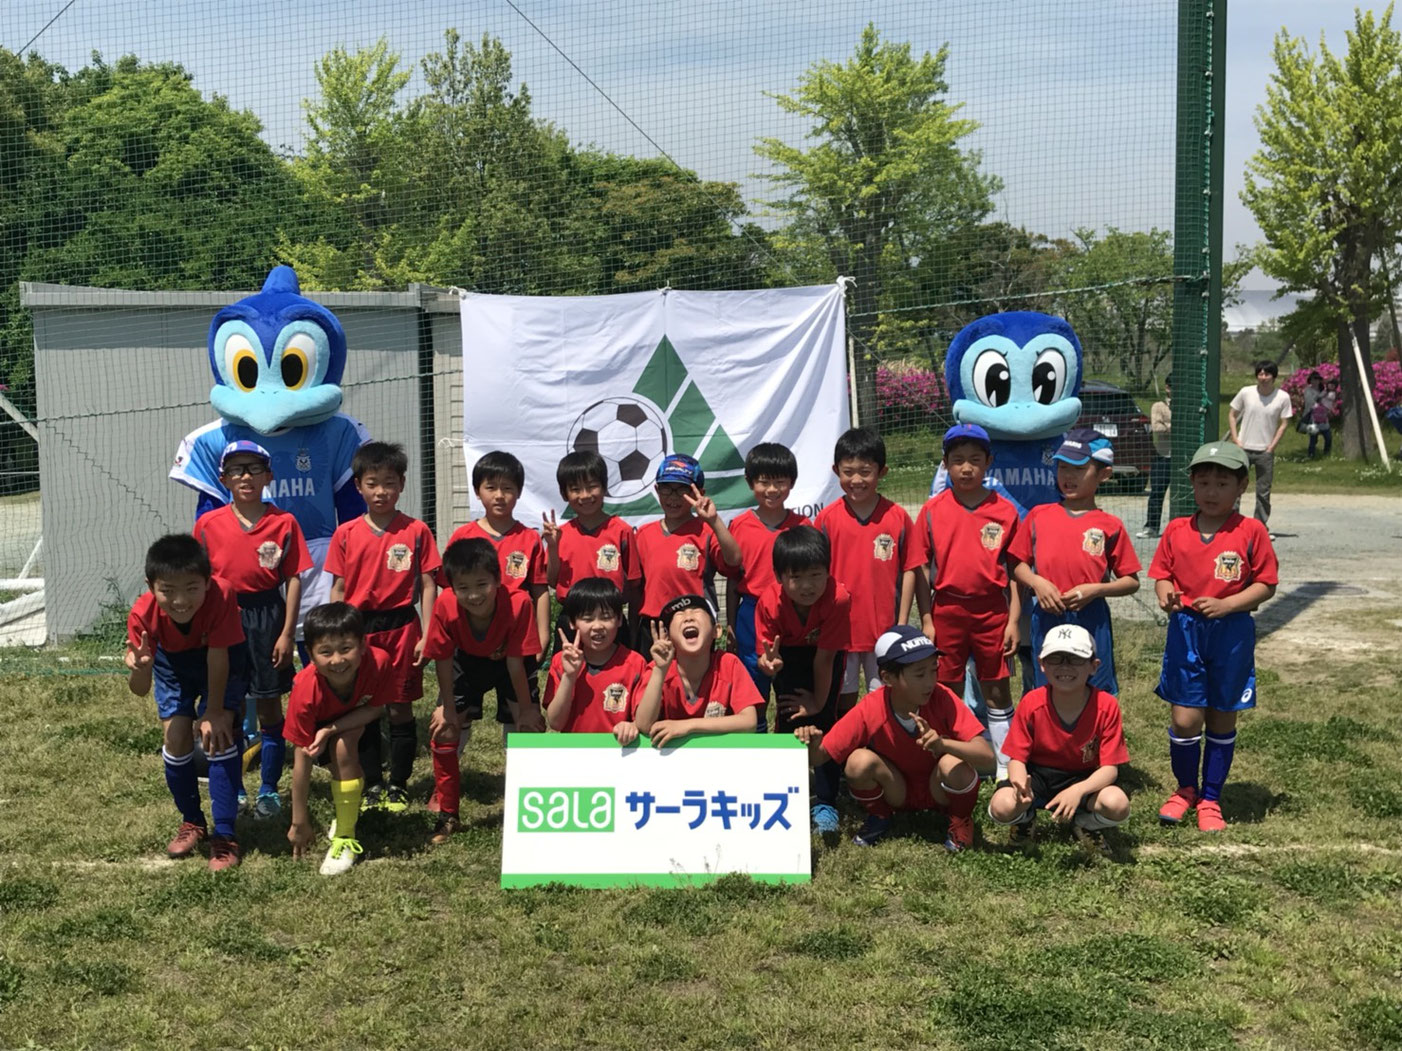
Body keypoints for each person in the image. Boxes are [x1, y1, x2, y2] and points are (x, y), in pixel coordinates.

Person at [1151, 441, 1278, 832]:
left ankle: (1211, 798)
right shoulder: (1176, 530)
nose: (1211, 491)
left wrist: (1230, 604)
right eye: (1203, 481)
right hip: (1186, 632)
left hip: (1231, 633)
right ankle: (1185, 789)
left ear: (1241, 487)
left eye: (1222, 483)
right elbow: (1161, 574)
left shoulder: (1251, 531)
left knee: (1222, 718)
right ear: (1191, 483)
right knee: (1186, 719)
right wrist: (1164, 595)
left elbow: (1267, 585)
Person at [192, 440, 312, 820]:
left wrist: (287, 631)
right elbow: (200, 581)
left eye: (254, 468)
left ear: (268, 476)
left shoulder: (284, 523)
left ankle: (268, 790)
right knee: (226, 705)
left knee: (269, 703)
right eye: (238, 469)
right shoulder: (208, 525)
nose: (246, 476)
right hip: (224, 617)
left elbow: (293, 578)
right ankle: (235, 789)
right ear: (224, 478)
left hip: (267, 618)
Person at [794, 626, 995, 852]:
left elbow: (987, 757)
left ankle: (960, 819)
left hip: (938, 789)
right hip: (896, 791)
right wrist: (811, 745)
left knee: (953, 763)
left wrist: (943, 745)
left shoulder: (943, 697)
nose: (930, 681)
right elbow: (822, 756)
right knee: (858, 762)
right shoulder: (871, 708)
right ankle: (880, 815)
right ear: (887, 678)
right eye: (920, 674)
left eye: (933, 670)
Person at [326, 441, 441, 812]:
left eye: (389, 483)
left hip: (402, 628)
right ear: (358, 486)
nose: (381, 491)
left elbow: (427, 584)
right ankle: (373, 783)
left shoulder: (417, 531)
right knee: (367, 709)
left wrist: (428, 632)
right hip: (360, 632)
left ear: (402, 484)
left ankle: (399, 784)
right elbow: (339, 588)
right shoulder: (345, 533)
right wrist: (335, 636)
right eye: (372, 483)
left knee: (400, 709)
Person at [126, 534, 248, 871]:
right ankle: (192, 821)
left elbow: (219, 655)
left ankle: (225, 835)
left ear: (208, 582)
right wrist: (141, 667)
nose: (180, 600)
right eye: (168, 590)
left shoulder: (223, 595)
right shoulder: (141, 615)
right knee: (176, 738)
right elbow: (138, 689)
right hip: (170, 664)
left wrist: (213, 711)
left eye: (192, 588)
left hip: (220, 658)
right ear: (150, 585)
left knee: (217, 733)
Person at [912, 423, 1021, 777]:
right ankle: (953, 760)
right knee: (946, 689)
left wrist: (1014, 621)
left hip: (992, 611)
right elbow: (920, 571)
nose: (967, 468)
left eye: (975, 459)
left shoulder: (1005, 512)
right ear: (946, 464)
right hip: (947, 611)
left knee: (997, 690)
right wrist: (927, 619)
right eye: (958, 460)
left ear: (989, 462)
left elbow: (1017, 569)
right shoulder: (931, 511)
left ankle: (1005, 766)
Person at [422, 537, 543, 844]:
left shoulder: (519, 603)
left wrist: (527, 708)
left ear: (498, 580)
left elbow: (516, 664)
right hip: (466, 661)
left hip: (509, 664)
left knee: (527, 726)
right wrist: (448, 706)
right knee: (445, 728)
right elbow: (444, 660)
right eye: (463, 588)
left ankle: (531, 806)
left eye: (482, 584)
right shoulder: (445, 605)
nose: (474, 595)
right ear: (451, 587)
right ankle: (448, 813)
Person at [1008, 429, 1141, 696]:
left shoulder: (1110, 525)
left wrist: (1096, 590)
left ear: (1104, 474)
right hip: (1047, 616)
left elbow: (1131, 581)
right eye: (1063, 467)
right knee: (1049, 688)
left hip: (1092, 618)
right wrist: (1037, 582)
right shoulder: (1038, 516)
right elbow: (1017, 565)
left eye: (1078, 469)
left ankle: (1095, 736)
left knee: (1095, 689)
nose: (1068, 476)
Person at [986, 624, 1131, 855]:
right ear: (1042, 664)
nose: (1065, 667)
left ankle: (1085, 823)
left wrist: (1079, 790)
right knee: (1001, 806)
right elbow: (1016, 759)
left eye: (1075, 659)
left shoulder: (1106, 705)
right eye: (1056, 659)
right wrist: (1020, 788)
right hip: (1038, 776)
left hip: (1084, 777)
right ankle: (1025, 820)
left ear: (1094, 667)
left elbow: (1110, 769)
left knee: (1117, 803)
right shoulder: (1032, 702)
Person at [284, 602, 396, 876]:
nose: (337, 660)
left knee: (344, 749)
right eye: (325, 652)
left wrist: (332, 729)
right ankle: (347, 813)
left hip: (360, 719)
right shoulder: (305, 688)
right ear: (310, 654)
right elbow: (302, 757)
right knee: (340, 765)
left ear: (363, 644)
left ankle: (345, 836)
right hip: (320, 727)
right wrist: (299, 821)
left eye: (346, 648)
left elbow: (375, 708)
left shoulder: (379, 661)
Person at [814, 427, 920, 715]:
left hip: (884, 631)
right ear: (836, 471)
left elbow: (912, 569)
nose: (857, 480)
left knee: (885, 700)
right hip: (840, 632)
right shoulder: (826, 520)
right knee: (843, 699)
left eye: (865, 471)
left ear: (882, 472)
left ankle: (881, 754)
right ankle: (845, 755)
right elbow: (815, 573)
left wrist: (901, 622)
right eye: (849, 472)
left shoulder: (896, 517)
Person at [755, 525, 851, 832]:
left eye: (816, 574)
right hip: (789, 659)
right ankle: (788, 794)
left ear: (828, 571)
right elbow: (767, 657)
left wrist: (817, 702)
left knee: (825, 724)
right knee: (788, 719)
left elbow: (825, 659)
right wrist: (769, 665)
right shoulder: (769, 602)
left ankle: (825, 801)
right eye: (796, 577)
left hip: (825, 656)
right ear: (780, 576)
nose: (808, 586)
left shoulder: (838, 597)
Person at [723, 442, 810, 720]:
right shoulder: (740, 525)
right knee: (753, 695)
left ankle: (794, 753)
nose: (772, 490)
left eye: (779, 482)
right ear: (750, 483)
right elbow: (734, 580)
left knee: (790, 695)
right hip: (752, 614)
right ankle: (755, 748)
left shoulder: (803, 527)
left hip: (791, 613)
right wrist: (732, 624)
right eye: (764, 482)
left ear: (791, 483)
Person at [445, 450, 552, 655]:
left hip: (517, 635)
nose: (499, 496)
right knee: (462, 688)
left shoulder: (530, 538)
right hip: (471, 636)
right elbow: (449, 590)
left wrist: (542, 636)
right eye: (491, 488)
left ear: (519, 492)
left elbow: (540, 591)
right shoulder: (463, 536)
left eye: (507, 488)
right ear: (477, 491)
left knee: (519, 686)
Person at [632, 455, 742, 650]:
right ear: (657, 490)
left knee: (695, 680)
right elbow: (636, 589)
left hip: (694, 625)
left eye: (683, 490)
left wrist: (714, 521)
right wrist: (633, 632)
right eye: (666, 488)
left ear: (699, 492)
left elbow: (734, 561)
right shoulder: (643, 534)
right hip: (654, 627)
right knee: (655, 680)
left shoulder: (707, 531)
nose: (673, 497)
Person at [633, 594, 765, 744]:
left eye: (696, 611)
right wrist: (660, 670)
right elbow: (643, 725)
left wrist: (688, 726)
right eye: (680, 614)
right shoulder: (656, 669)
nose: (688, 617)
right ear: (668, 637)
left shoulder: (729, 664)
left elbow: (749, 721)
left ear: (717, 631)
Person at [541, 451, 638, 648]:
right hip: (572, 620)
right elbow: (552, 580)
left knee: (616, 676)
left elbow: (634, 584)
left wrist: (616, 614)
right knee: (569, 674)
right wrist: (552, 547)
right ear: (564, 494)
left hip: (610, 620)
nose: (585, 495)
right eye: (576, 489)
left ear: (604, 487)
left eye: (592, 486)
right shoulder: (561, 535)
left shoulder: (622, 531)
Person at [543, 577, 648, 742]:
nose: (598, 626)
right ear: (572, 622)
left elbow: (643, 721)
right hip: (575, 755)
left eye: (606, 617)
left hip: (620, 756)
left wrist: (632, 726)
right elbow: (556, 722)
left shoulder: (635, 663)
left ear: (620, 619)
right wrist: (569, 677)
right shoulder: (561, 662)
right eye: (588, 618)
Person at [1228, 360, 1293, 536]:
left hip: (1265, 450)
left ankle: (1260, 527)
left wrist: (1272, 446)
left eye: (1267, 374)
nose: (1263, 378)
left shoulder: (1282, 397)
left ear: (1274, 377)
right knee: (1235, 488)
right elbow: (1232, 414)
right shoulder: (1246, 392)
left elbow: (1284, 423)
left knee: (1263, 491)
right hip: (1243, 448)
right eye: (1260, 374)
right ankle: (1232, 524)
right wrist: (1236, 439)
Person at [1140, 376, 1172, 538]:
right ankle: (1151, 527)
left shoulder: (1187, 405)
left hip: (1184, 457)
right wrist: (1174, 426)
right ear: (1167, 388)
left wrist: (1167, 425)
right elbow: (1156, 427)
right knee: (1157, 493)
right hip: (1163, 455)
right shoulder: (1159, 406)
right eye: (1174, 387)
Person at [1308, 377, 1337, 459]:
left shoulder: (1332, 394)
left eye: (1333, 385)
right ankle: (1311, 454)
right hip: (1314, 418)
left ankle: (1326, 453)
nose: (1331, 386)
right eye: (1330, 384)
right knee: (1313, 439)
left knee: (1328, 438)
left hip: (1324, 419)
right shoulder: (1323, 392)